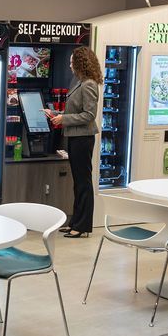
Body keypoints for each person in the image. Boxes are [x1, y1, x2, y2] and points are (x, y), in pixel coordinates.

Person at [46, 46, 101, 238]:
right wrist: (57, 114)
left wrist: (64, 120)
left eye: (72, 62)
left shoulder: (88, 85)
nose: (69, 65)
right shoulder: (80, 83)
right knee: (78, 182)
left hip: (83, 139)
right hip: (75, 137)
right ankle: (75, 222)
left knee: (83, 182)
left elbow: (89, 115)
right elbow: (75, 113)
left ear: (80, 63)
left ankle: (83, 226)